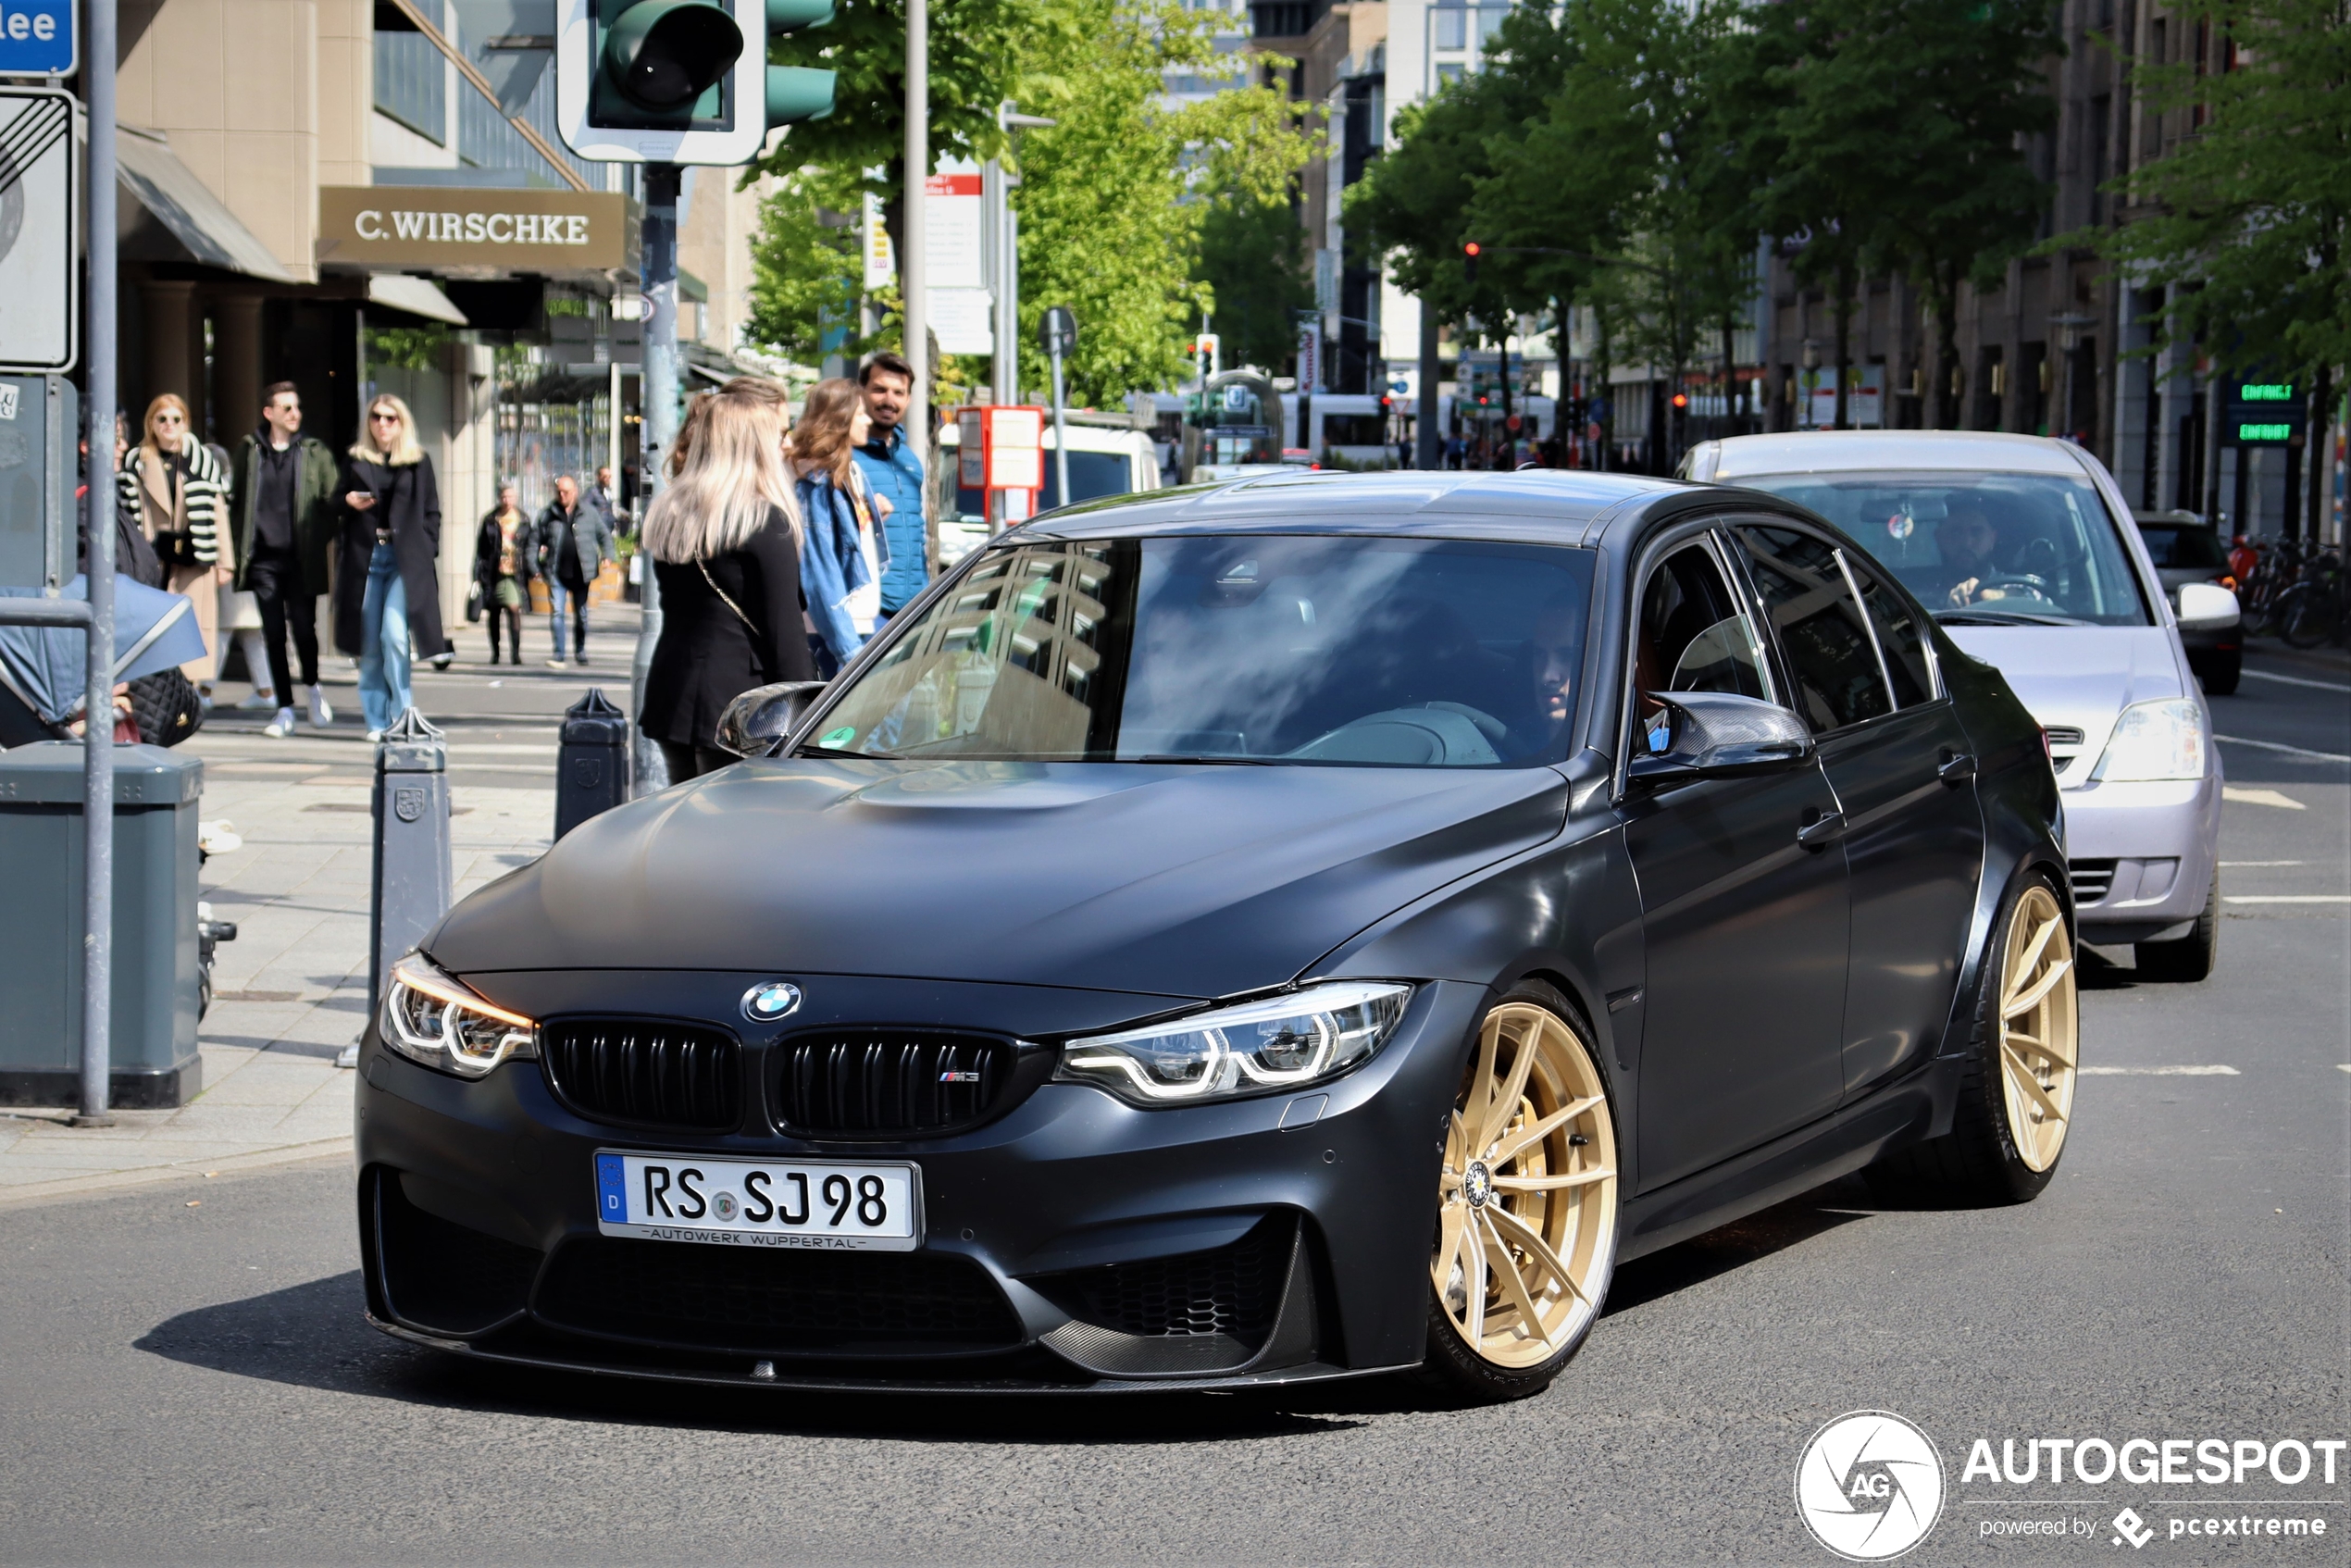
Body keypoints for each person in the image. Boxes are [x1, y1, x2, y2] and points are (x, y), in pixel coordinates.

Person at [638, 379, 815, 781]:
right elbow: (783, 635)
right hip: (740, 705)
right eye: (777, 436)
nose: (784, 446)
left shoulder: (672, 513)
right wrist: (808, 716)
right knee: (733, 832)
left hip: (672, 690)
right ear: (753, 445)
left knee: (683, 828)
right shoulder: (763, 522)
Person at [228, 382, 340, 739]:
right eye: (286, 408)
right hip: (263, 559)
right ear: (269, 413)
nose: (295, 414)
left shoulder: (314, 452)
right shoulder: (249, 450)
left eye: (297, 407)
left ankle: (312, 686)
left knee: (304, 630)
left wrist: (320, 537)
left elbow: (330, 501)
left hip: (300, 558)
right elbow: (238, 503)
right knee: (273, 633)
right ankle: (285, 709)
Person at [337, 393, 443, 740]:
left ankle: (402, 713)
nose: (382, 424)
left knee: (394, 636)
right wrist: (347, 502)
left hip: (404, 559)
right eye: (376, 417)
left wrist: (427, 548)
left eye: (390, 418)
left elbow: (431, 511)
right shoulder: (355, 459)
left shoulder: (418, 460)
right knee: (368, 644)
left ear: (401, 422)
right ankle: (375, 720)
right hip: (366, 558)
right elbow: (330, 504)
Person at [116, 393, 231, 705]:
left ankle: (187, 697)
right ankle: (158, 697)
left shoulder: (203, 460)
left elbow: (218, 510)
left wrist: (225, 561)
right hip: (152, 555)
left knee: (192, 627)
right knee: (152, 628)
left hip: (195, 557)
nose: (169, 425)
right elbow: (126, 510)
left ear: (186, 423)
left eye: (176, 419)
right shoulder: (137, 460)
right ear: (151, 423)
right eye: (162, 419)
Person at [790, 378, 883, 676]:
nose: (868, 420)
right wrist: (849, 650)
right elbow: (819, 569)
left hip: (852, 624)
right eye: (860, 414)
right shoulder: (816, 481)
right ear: (839, 420)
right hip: (829, 633)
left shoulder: (849, 472)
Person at [852, 352, 928, 621]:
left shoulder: (909, 461)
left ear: (908, 399)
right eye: (879, 390)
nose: (889, 400)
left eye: (899, 392)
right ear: (860, 392)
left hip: (913, 609)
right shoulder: (843, 459)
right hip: (867, 611)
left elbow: (917, 537)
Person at [533, 474, 614, 667]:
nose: (562, 495)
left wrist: (608, 555)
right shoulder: (548, 514)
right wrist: (533, 566)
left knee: (582, 614)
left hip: (581, 573)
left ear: (575, 492)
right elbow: (534, 540)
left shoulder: (589, 512)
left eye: (566, 492)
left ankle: (580, 650)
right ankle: (559, 653)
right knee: (557, 613)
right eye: (559, 492)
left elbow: (604, 535)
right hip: (556, 572)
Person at [474, 483, 530, 665]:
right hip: (494, 571)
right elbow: (481, 549)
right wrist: (477, 573)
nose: (507, 501)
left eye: (510, 497)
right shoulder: (490, 519)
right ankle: (496, 652)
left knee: (514, 608)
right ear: (499, 498)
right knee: (495, 611)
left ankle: (515, 653)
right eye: (504, 497)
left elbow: (530, 544)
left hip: (514, 571)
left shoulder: (523, 519)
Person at [1934, 504, 2005, 607]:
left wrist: (1990, 595)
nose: (1967, 542)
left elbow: (2029, 597)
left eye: (1976, 532)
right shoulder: (1919, 591)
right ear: (1939, 538)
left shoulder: (2010, 584)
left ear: (1992, 539)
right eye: (1956, 532)